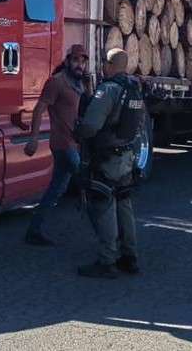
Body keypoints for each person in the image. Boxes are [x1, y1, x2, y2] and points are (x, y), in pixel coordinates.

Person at [74, 48, 145, 278]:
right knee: (124, 205)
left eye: (105, 63)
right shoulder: (134, 88)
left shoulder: (109, 90)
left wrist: (79, 131)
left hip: (107, 158)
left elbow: (91, 126)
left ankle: (107, 261)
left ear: (111, 64)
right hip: (127, 156)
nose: (103, 67)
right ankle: (130, 257)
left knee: (104, 205)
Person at [23, 44, 90, 246]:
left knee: (56, 189)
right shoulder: (56, 82)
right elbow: (38, 110)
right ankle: (106, 236)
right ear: (67, 61)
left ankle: (34, 230)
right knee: (89, 183)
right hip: (63, 144)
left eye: (83, 61)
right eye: (76, 60)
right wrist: (33, 139)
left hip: (74, 143)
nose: (80, 65)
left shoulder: (80, 84)